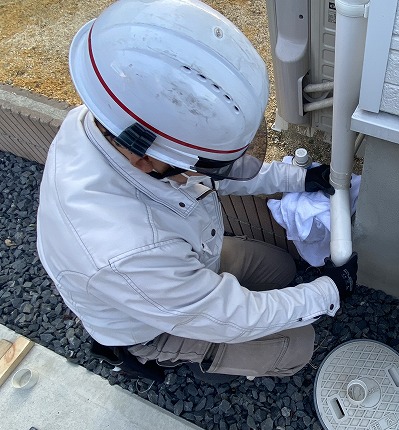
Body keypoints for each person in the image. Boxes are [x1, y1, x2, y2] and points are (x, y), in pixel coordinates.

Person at [36, 0, 358, 380]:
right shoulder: (128, 250)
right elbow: (232, 317)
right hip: (148, 323)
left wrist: (298, 179)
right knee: (296, 347)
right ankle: (158, 357)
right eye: (197, 163)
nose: (206, 170)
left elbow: (209, 171)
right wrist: (329, 293)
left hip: (178, 260)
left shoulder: (115, 122)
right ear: (146, 160)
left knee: (282, 269)